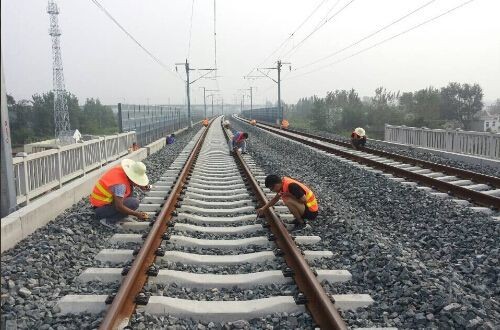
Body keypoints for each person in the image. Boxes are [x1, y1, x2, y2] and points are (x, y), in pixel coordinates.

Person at [90, 159, 151, 229]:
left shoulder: (122, 171)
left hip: (102, 204)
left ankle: (121, 216)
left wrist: (141, 185)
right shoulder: (120, 185)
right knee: (133, 203)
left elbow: (130, 184)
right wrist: (136, 214)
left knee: (130, 195)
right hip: (100, 210)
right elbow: (119, 206)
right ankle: (109, 221)